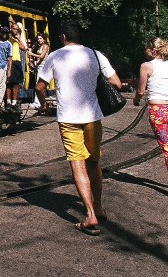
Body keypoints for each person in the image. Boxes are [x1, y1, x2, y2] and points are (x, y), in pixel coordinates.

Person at [36, 20, 122, 236]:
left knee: (77, 164)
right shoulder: (95, 54)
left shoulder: (55, 56)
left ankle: (90, 214)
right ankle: (99, 206)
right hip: (92, 117)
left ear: (63, 37)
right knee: (93, 162)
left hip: (68, 119)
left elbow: (40, 86)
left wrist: (44, 104)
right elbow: (116, 83)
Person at [134, 38, 168, 200]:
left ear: (152, 50)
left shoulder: (146, 66)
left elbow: (141, 91)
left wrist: (136, 99)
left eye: (146, 47)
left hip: (158, 110)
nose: (145, 50)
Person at [28, 34, 50, 110]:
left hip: (43, 66)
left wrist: (32, 54)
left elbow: (42, 56)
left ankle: (37, 103)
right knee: (38, 84)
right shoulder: (39, 47)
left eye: (40, 38)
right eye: (38, 39)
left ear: (44, 39)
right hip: (39, 66)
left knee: (39, 84)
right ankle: (41, 102)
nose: (39, 40)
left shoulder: (45, 46)